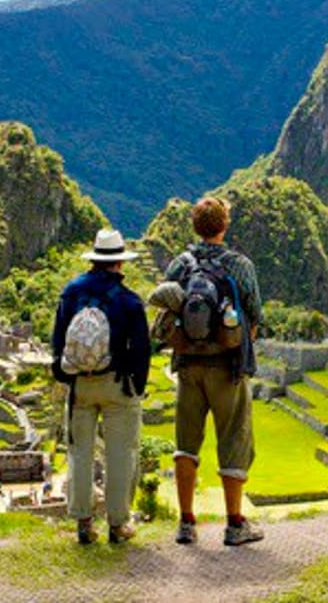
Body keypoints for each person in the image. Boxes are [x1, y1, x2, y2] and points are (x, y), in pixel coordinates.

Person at [165, 197, 263, 547]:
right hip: (227, 368)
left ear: (195, 226)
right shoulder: (240, 265)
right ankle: (235, 524)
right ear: (225, 225)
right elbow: (255, 314)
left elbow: (168, 311)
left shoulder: (180, 265)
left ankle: (186, 523)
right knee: (234, 439)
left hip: (188, 367)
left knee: (186, 444)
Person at [52, 228, 150, 545]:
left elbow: (58, 340)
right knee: (121, 454)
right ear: (120, 262)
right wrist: (136, 386)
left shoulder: (70, 293)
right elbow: (141, 350)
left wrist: (66, 376)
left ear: (94, 259)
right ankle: (118, 525)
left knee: (80, 452)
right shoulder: (129, 300)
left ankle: (84, 523)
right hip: (117, 385)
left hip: (80, 385)